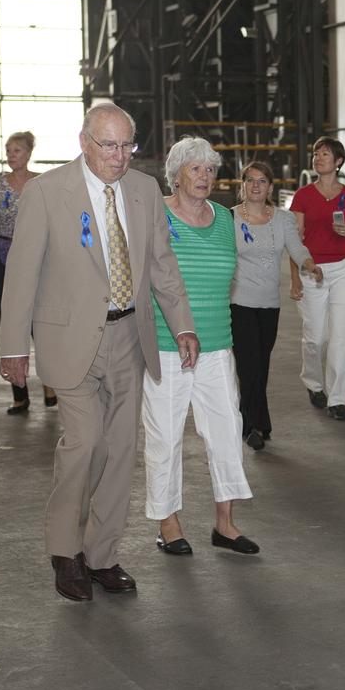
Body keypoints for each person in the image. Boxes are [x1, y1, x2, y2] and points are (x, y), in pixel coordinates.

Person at [0, 102, 198, 602]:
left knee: (121, 450)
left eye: (127, 145)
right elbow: (21, 275)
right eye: (109, 145)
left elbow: (161, 263)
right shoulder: (47, 192)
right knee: (86, 444)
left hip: (131, 335)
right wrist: (13, 348)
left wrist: (183, 326)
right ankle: (65, 552)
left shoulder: (144, 189)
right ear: (84, 142)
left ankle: (102, 555)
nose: (119, 156)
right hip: (68, 338)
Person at [143, 137, 258, 557]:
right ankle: (168, 524)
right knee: (166, 436)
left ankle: (224, 524)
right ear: (175, 176)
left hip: (216, 344)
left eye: (210, 170)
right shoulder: (156, 214)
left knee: (226, 431)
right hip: (165, 344)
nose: (205, 177)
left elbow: (227, 274)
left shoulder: (226, 218)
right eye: (195, 169)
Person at [232, 160, 320, 450]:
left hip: (269, 305)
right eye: (250, 180)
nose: (255, 185)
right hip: (239, 303)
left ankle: (260, 419)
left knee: (262, 363)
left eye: (261, 181)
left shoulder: (282, 219)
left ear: (271, 187)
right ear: (242, 185)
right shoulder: (229, 218)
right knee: (248, 366)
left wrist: (308, 263)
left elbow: (296, 247)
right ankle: (250, 425)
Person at [0, 131, 56, 413]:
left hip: (43, 259)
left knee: (44, 323)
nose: (11, 155)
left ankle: (51, 385)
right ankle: (19, 393)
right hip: (6, 259)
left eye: (17, 150)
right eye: (8, 150)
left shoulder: (44, 184)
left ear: (29, 153)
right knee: (11, 322)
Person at [289, 137, 345, 422]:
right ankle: (314, 383)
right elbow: (294, 239)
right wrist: (295, 278)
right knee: (317, 337)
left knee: (342, 337)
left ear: (338, 161)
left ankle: (337, 399)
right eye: (315, 153)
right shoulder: (303, 195)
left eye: (325, 154)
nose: (318, 157)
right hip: (311, 269)